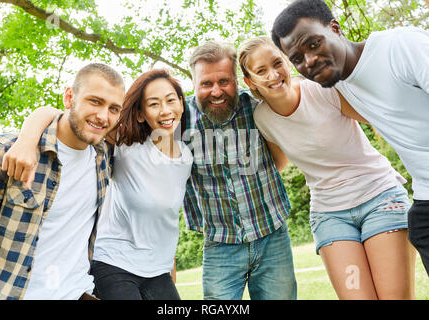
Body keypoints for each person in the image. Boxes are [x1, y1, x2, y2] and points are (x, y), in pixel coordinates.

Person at [239, 36, 415, 299]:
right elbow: (280, 162)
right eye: (261, 71)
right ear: (250, 81)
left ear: (287, 62)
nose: (273, 74)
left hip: (380, 197)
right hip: (330, 215)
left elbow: (378, 117)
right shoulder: (262, 118)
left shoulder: (321, 89)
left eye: (277, 63)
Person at [1, 69, 192, 300]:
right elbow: (58, 114)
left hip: (157, 270)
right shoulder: (124, 144)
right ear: (140, 114)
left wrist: (169, 267)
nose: (165, 110)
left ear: (181, 103)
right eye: (153, 104)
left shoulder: (186, 157)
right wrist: (27, 140)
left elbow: (167, 219)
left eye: (171, 100)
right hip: (114, 262)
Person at [271, 0, 429, 275]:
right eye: (296, 58)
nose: (308, 61)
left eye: (313, 44)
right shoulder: (338, 84)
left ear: (335, 28)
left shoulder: (400, 47)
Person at [0, 63, 125, 299]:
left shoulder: (103, 157)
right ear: (69, 98)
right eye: (95, 101)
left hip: (77, 292)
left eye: (114, 108)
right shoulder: (5, 152)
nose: (103, 116)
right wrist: (27, 138)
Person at [183, 41, 296, 300]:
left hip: (272, 235)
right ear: (194, 84)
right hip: (220, 243)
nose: (216, 91)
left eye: (224, 81)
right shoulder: (180, 119)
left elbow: (280, 159)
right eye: (206, 83)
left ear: (237, 80)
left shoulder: (256, 106)